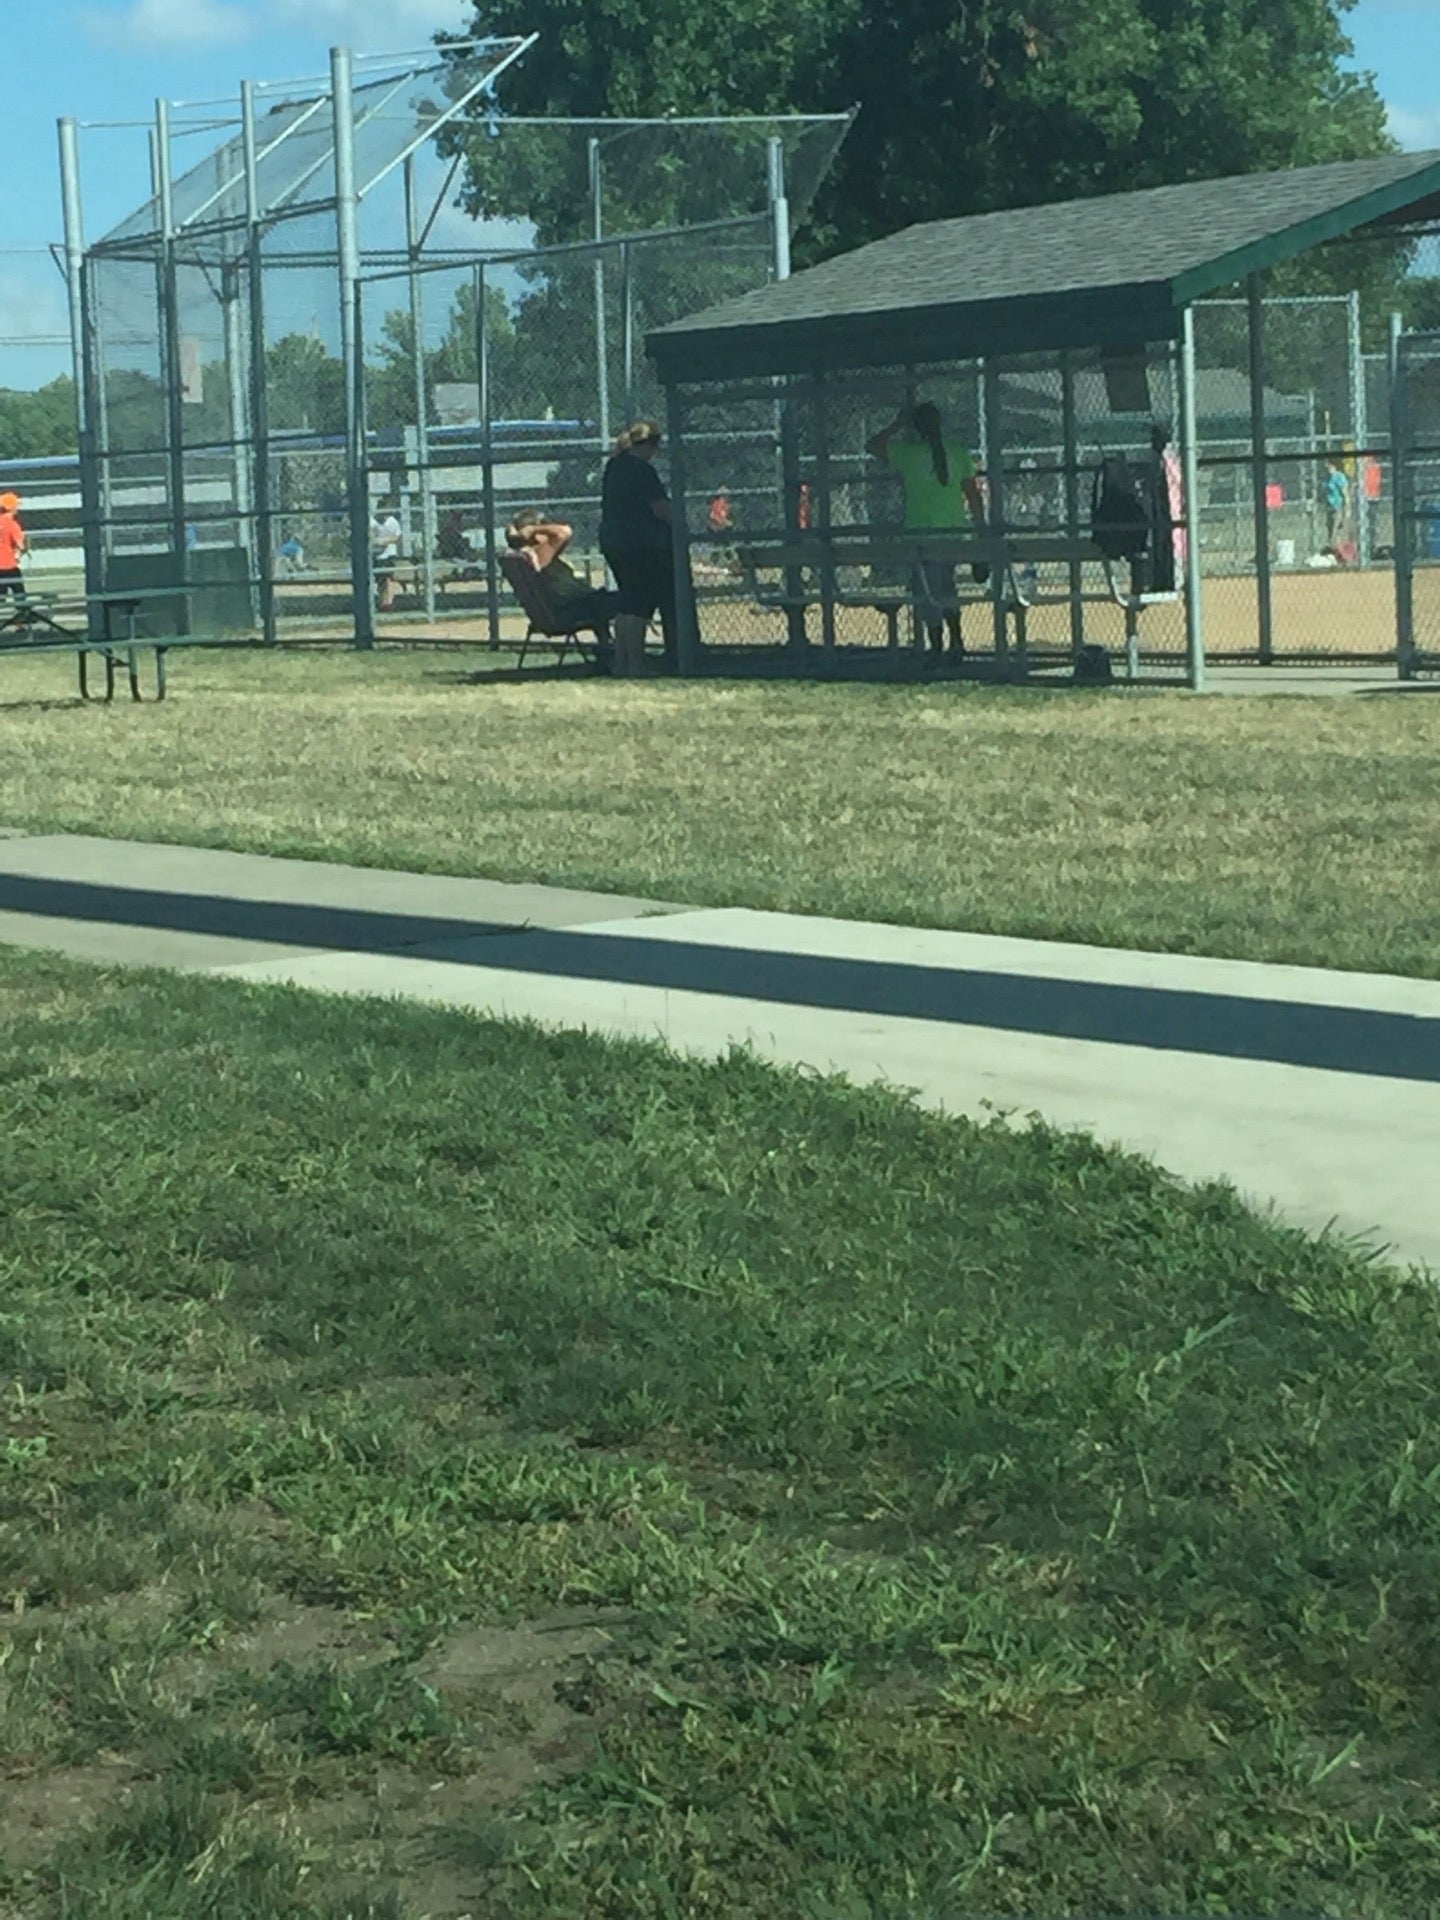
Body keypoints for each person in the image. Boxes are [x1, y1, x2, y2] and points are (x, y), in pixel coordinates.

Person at [866, 402, 985, 658]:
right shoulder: (956, 452)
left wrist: (898, 424)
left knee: (927, 591)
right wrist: (980, 527)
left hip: (921, 535)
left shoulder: (909, 454)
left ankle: (937, 645)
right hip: (952, 533)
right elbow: (973, 495)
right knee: (947, 586)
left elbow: (873, 446)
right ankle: (955, 640)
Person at [600, 419, 676, 676]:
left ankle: (621, 663)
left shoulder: (614, 465)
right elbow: (661, 509)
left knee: (627, 602)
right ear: (651, 444)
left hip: (614, 542)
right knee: (640, 606)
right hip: (641, 544)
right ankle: (636, 664)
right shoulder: (643, 470)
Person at [506, 510, 617, 661]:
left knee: (604, 598)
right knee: (629, 601)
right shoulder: (540, 553)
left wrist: (516, 531)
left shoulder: (525, 556)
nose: (549, 528)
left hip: (569, 608)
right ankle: (625, 653)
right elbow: (564, 532)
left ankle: (608, 647)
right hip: (571, 611)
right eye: (545, 525)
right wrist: (533, 529)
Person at [370, 501, 403, 611]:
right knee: (380, 579)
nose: (384, 515)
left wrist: (387, 541)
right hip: (377, 555)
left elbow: (398, 537)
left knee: (389, 578)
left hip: (389, 554)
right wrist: (376, 542)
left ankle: (389, 602)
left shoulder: (392, 521)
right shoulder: (372, 522)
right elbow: (369, 537)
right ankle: (382, 602)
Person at [0, 492, 27, 599]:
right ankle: (23, 612)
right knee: (20, 594)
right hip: (9, 565)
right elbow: (21, 546)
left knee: (1, 598)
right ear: (11, 508)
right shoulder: (12, 524)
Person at [1325, 456, 1351, 556]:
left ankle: (1340, 554)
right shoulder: (1328, 478)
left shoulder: (1339, 477)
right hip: (1329, 508)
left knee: (1336, 533)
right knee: (1330, 532)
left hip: (1338, 508)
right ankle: (1335, 554)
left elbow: (1345, 494)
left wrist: (1347, 509)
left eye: (1328, 464)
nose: (1326, 466)